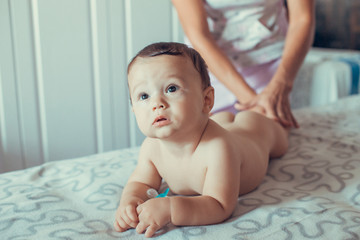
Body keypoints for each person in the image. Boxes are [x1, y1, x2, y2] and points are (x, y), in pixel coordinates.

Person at [113, 42, 288, 238]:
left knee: (264, 128)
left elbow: (219, 205)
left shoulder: (218, 148)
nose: (157, 104)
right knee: (222, 121)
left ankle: (271, 119)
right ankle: (225, 118)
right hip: (213, 123)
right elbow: (141, 182)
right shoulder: (151, 147)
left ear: (206, 100)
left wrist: (172, 208)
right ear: (134, 110)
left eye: (171, 89)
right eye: (144, 95)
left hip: (252, 137)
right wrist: (130, 200)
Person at [172, 0, 315, 128]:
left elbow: (302, 19)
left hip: (270, 64)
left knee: (269, 130)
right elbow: (199, 35)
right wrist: (252, 102)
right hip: (212, 66)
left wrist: (282, 83)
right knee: (209, 133)